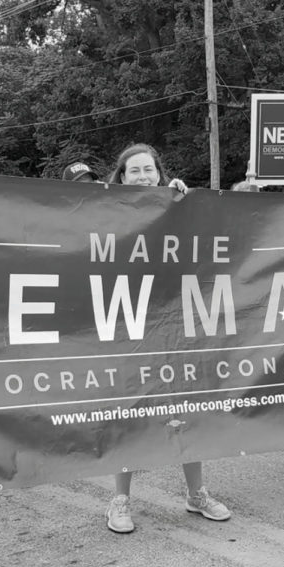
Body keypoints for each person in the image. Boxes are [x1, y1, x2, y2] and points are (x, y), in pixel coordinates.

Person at [103, 143, 230, 533]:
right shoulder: (105, 214)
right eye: (134, 171)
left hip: (175, 326)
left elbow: (201, 247)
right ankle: (120, 501)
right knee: (130, 412)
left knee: (185, 411)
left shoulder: (177, 205)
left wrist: (185, 202)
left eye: (149, 170)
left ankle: (196, 494)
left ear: (159, 173)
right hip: (130, 327)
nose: (143, 177)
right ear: (121, 179)